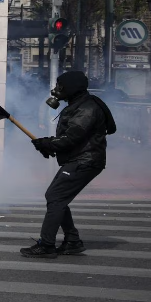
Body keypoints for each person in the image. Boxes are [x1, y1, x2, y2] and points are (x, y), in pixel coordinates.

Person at [21, 70, 116, 258]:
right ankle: (72, 241)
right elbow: (70, 138)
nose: (56, 90)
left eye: (60, 86)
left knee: (55, 196)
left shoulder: (87, 109)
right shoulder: (79, 105)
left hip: (84, 160)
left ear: (71, 88)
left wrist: (47, 143)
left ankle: (47, 245)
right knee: (57, 197)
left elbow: (71, 137)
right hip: (81, 159)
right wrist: (48, 145)